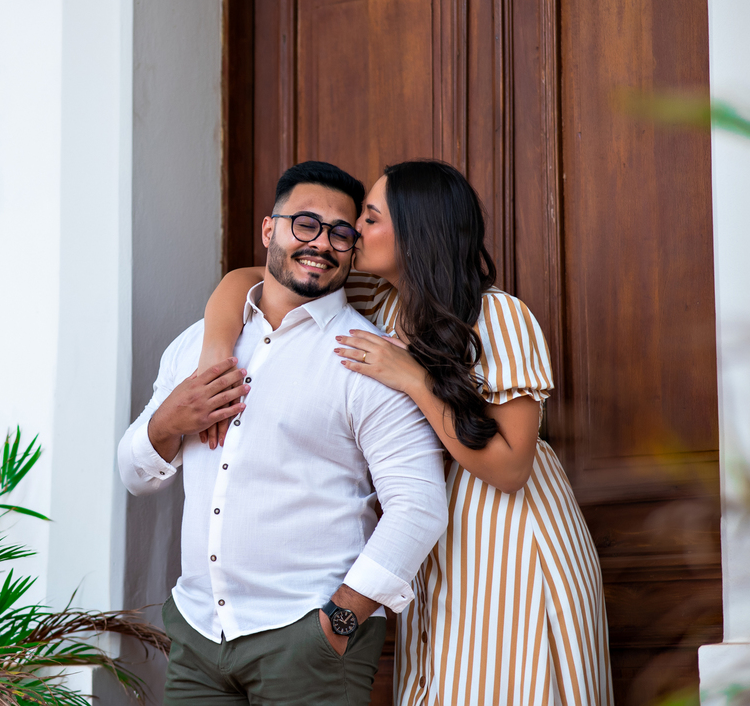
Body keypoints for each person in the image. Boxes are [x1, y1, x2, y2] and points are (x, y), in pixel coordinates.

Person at [198, 159, 613, 705]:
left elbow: (512, 468)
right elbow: (247, 279)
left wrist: (414, 380)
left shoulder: (499, 317)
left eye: (369, 219)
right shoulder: (380, 299)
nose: (352, 231)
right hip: (432, 536)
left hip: (508, 535)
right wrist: (215, 358)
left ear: (417, 234)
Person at [117, 161, 448, 705]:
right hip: (197, 637)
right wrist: (168, 423)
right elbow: (135, 476)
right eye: (305, 224)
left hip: (308, 641)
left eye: (340, 232)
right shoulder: (198, 345)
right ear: (269, 230)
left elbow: (419, 505)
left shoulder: (367, 359)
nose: (321, 243)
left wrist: (339, 622)